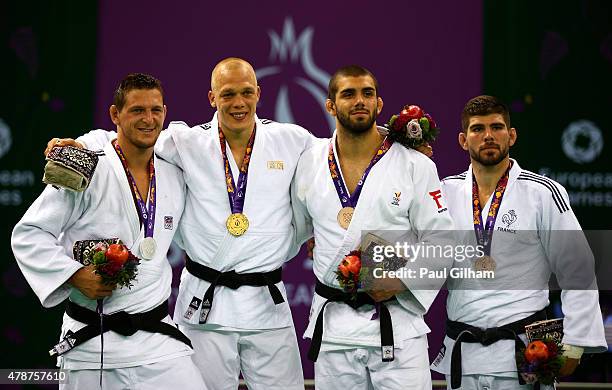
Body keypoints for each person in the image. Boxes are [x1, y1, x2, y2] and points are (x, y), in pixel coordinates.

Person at [49, 58, 309, 390]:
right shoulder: (186, 142)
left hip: (267, 304)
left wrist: (392, 139)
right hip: (205, 304)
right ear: (212, 98)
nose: (239, 103)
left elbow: (337, 160)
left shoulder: (292, 139)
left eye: (246, 92)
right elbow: (128, 134)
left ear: (259, 93)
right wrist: (79, 146)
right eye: (228, 94)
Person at [12, 73, 204, 389]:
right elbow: (29, 233)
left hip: (157, 341)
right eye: (137, 111)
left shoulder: (175, 168)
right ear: (115, 115)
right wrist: (73, 275)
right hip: (91, 342)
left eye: (156, 110)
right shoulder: (84, 164)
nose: (148, 119)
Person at [291, 65, 455, 389]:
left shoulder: (415, 164)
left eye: (368, 93)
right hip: (334, 329)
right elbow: (298, 226)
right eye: (348, 94)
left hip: (396, 325)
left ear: (380, 105)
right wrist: (318, 240)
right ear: (330, 105)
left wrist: (400, 280)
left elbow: (443, 240)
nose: (360, 101)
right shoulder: (308, 162)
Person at [430, 95, 608, 389]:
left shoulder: (542, 192)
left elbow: (577, 266)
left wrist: (575, 343)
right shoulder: (443, 193)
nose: (488, 135)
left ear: (511, 136)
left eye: (497, 127)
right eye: (477, 129)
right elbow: (417, 251)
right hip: (463, 355)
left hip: (524, 354)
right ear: (463, 140)